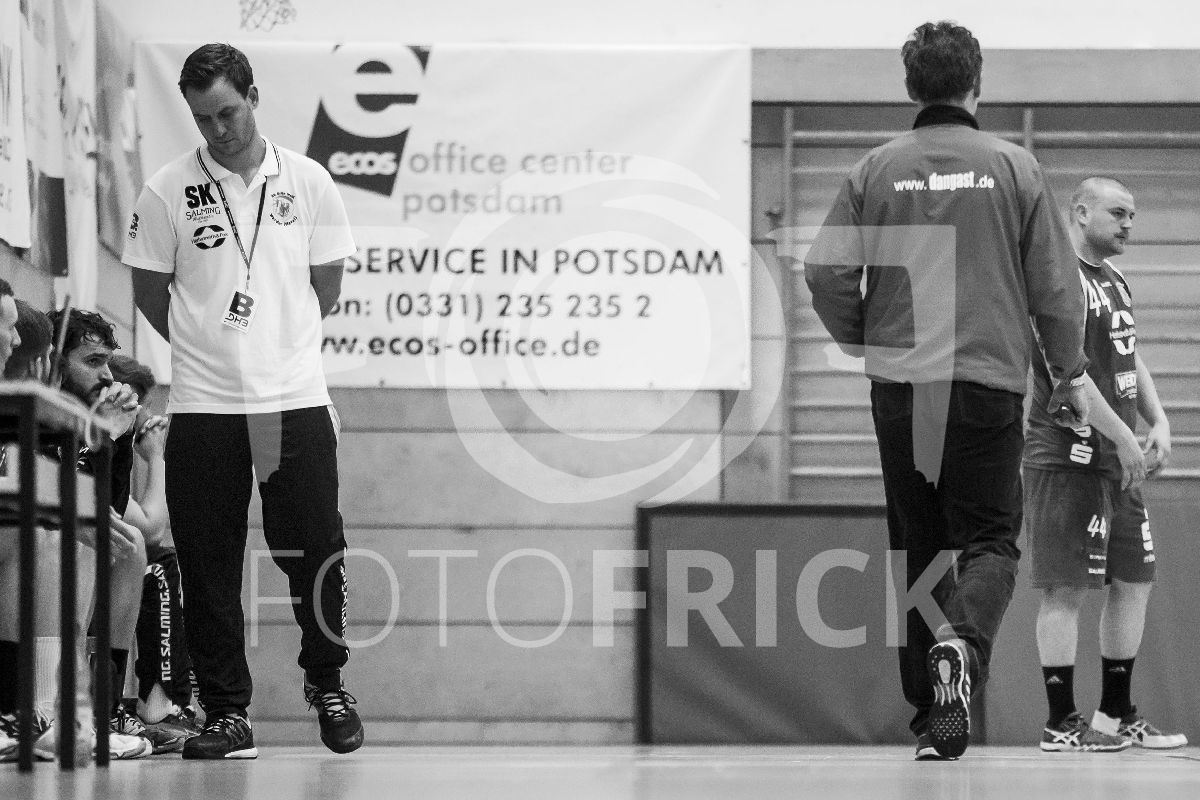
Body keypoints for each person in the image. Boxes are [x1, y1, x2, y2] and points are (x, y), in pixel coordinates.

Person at [804, 21, 1090, 760]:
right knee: (990, 539)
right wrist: (1068, 376)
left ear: (911, 87)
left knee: (921, 547)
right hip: (984, 385)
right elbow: (1056, 288)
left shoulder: (873, 170)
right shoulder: (1013, 167)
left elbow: (825, 272)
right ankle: (961, 645)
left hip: (903, 390)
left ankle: (933, 719)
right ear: (976, 84)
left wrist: (862, 337)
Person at [123, 42, 361, 759]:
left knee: (315, 546)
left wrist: (275, 345)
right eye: (203, 118)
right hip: (206, 409)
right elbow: (151, 295)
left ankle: (327, 681)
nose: (218, 129)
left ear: (253, 96)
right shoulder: (167, 190)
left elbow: (325, 288)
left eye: (227, 112)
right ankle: (228, 713)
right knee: (209, 563)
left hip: (291, 402)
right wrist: (209, 350)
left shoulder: (310, 182)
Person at [1025, 178, 1187, 752]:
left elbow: (1127, 353)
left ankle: (1115, 715)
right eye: (1117, 213)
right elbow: (1070, 373)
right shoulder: (1060, 281)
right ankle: (1060, 722)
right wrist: (1123, 437)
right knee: (1065, 589)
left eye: (1132, 216)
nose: (1128, 225)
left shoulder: (1114, 280)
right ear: (1080, 212)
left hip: (1116, 461)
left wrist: (1158, 420)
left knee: (1134, 580)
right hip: (1067, 459)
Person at [106, 354, 201, 743]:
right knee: (159, 566)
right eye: (139, 404)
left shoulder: (113, 450)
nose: (146, 416)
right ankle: (158, 704)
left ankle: (171, 700)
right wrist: (157, 456)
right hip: (62, 570)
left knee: (177, 564)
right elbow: (152, 529)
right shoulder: (91, 443)